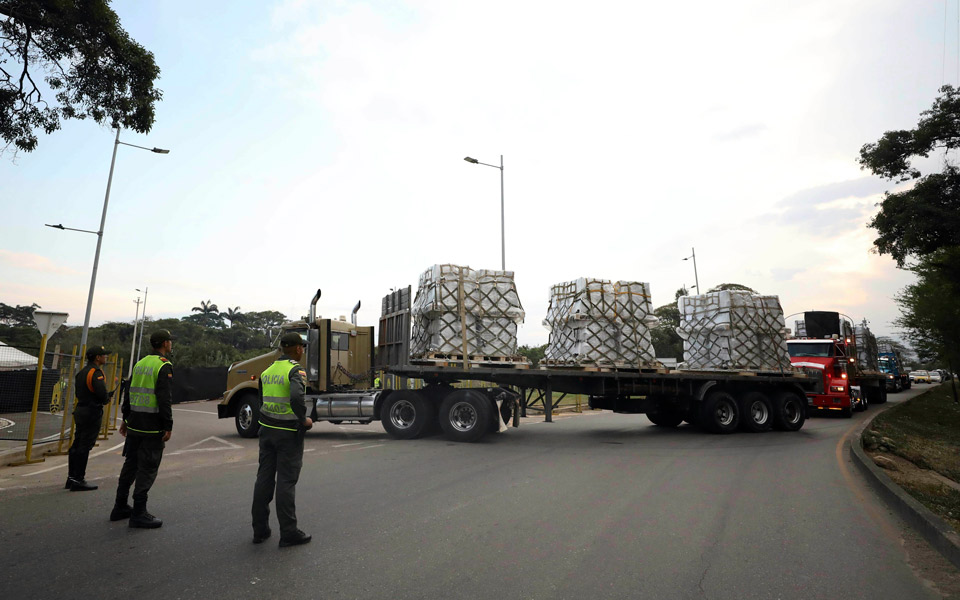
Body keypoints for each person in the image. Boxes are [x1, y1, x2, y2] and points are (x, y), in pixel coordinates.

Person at [251, 332, 313, 547]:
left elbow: (260, 401)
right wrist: (303, 419)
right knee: (286, 482)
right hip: (288, 433)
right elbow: (296, 397)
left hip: (267, 431)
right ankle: (289, 532)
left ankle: (260, 530)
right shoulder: (296, 370)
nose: (302, 351)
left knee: (264, 479)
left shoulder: (267, 371)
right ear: (297, 349)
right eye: (302, 347)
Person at [111, 330, 174, 528]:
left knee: (130, 465)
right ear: (165, 343)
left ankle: (120, 506)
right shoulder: (163, 365)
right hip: (151, 427)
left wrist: (126, 420)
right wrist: (168, 425)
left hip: (135, 425)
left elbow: (128, 393)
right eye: (170, 341)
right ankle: (138, 512)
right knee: (147, 469)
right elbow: (164, 399)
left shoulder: (140, 363)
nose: (171, 344)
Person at [65, 345, 114, 491]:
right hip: (91, 411)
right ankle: (78, 479)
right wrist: (106, 398)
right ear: (97, 358)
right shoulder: (96, 372)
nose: (106, 357)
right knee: (84, 446)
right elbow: (100, 392)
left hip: (81, 409)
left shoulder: (82, 372)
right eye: (103, 355)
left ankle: (71, 478)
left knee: (77, 443)